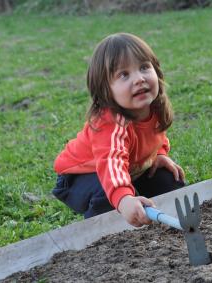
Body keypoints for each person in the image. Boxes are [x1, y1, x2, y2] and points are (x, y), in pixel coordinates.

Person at [52, 33, 185, 227]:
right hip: (80, 176)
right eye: (124, 74)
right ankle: (104, 236)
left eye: (144, 67)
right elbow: (111, 162)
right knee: (108, 198)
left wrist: (160, 154)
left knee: (169, 180)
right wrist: (123, 199)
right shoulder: (110, 122)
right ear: (106, 91)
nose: (139, 79)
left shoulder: (153, 107)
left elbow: (156, 137)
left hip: (127, 169)